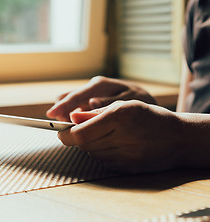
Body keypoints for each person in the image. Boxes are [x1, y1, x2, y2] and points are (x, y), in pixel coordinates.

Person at [46, 0, 210, 174]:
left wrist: (178, 134)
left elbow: (182, 129)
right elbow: (186, 114)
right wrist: (147, 113)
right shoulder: (198, 5)